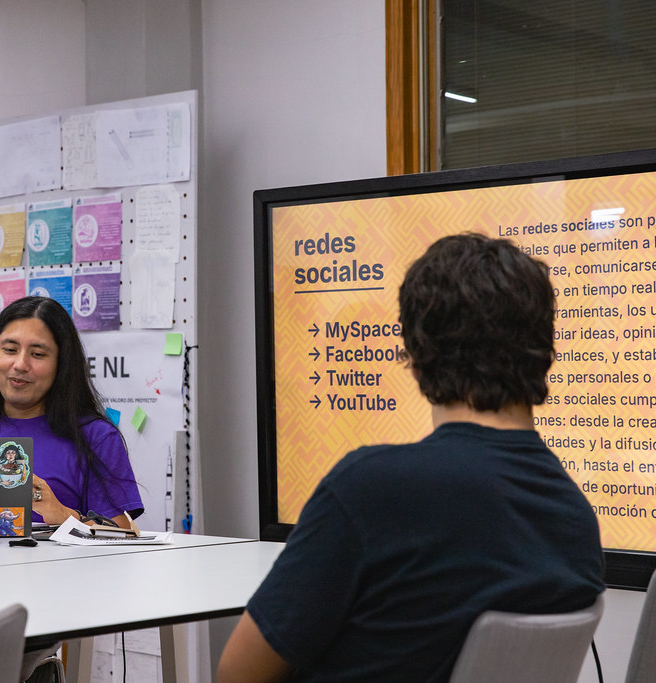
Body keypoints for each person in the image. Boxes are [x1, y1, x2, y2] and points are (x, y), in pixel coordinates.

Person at [217, 233, 605, 682]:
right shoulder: (575, 518)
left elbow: (236, 673)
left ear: (417, 359)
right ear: (544, 355)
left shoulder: (372, 490)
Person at [0, 295, 143, 527]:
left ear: (62, 364)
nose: (20, 365)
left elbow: (121, 535)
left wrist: (61, 515)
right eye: (9, 349)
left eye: (37, 354)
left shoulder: (96, 436)